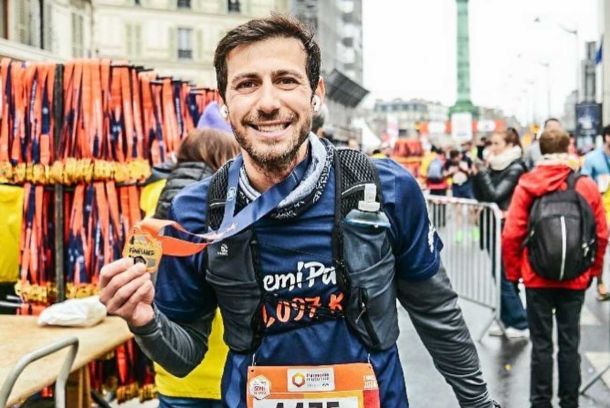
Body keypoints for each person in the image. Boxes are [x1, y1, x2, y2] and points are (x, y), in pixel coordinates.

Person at [99, 15, 496, 407]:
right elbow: (183, 358)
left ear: (315, 93)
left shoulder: (385, 188)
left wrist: (478, 403)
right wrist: (145, 321)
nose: (268, 103)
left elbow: (436, 313)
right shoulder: (195, 212)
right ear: (224, 103)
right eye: (247, 84)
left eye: (286, 80)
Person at [502, 128, 608, 408]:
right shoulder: (584, 185)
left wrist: (513, 274)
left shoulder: (529, 183)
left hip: (537, 277)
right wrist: (594, 271)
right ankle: (569, 401)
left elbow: (512, 234)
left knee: (541, 344)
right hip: (575, 277)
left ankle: (540, 402)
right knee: (569, 343)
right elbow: (601, 233)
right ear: (568, 147)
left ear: (541, 150)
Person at [153, 110, 239, 408]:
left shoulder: (151, 195)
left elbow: (140, 269)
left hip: (172, 363)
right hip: (228, 366)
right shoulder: (237, 203)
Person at [472, 128, 529, 338]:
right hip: (492, 225)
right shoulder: (494, 166)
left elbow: (495, 195)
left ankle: (520, 322)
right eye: (491, 144)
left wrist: (482, 173)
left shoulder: (515, 167)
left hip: (506, 227)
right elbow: (480, 195)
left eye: (497, 144)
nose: (492, 148)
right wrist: (479, 174)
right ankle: (506, 318)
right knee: (500, 274)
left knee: (504, 275)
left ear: (510, 145)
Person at [580, 123, 610, 301]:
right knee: (601, 244)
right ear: (607, 137)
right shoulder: (592, 159)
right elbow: (584, 181)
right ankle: (600, 282)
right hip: (600, 208)